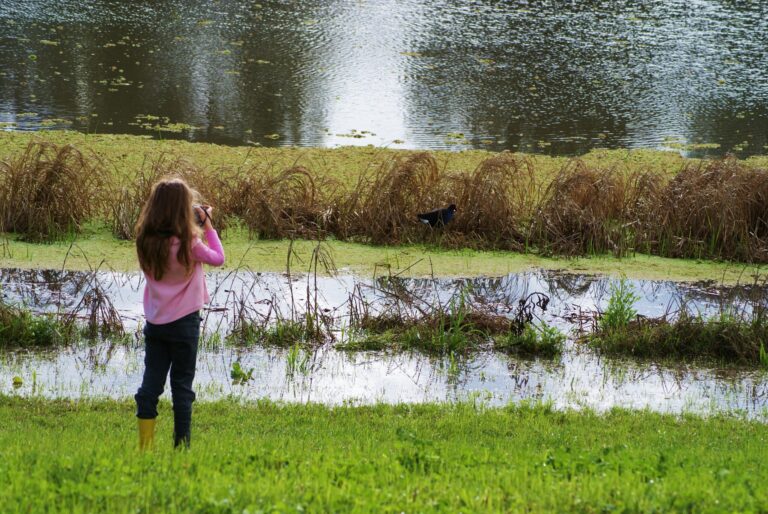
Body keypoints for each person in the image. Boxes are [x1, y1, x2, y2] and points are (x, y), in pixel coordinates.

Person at [133, 178, 225, 449]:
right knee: (182, 388)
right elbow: (218, 258)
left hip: (156, 322)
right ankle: (181, 448)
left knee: (151, 384)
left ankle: (145, 447)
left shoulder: (145, 242)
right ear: (183, 210)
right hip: (185, 324)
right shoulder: (190, 243)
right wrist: (207, 224)